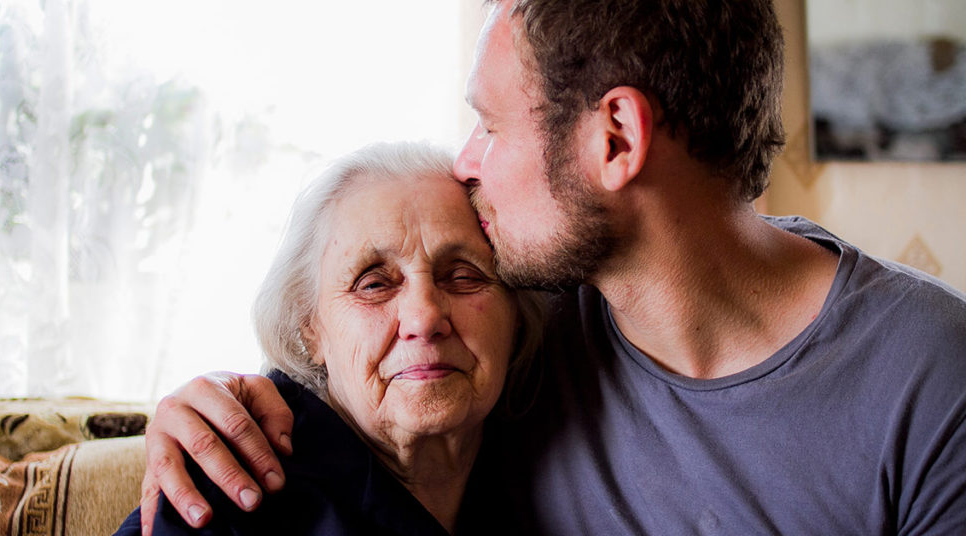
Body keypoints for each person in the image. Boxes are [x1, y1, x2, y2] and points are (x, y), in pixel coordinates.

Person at [139, 1, 966, 534]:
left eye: (490, 126)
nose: (467, 165)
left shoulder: (931, 377)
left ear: (615, 139)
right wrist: (206, 412)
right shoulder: (522, 333)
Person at [115, 142, 544, 535]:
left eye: (464, 275)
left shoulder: (549, 458)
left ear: (516, 316)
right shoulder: (229, 487)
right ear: (310, 328)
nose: (425, 316)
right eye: (373, 284)